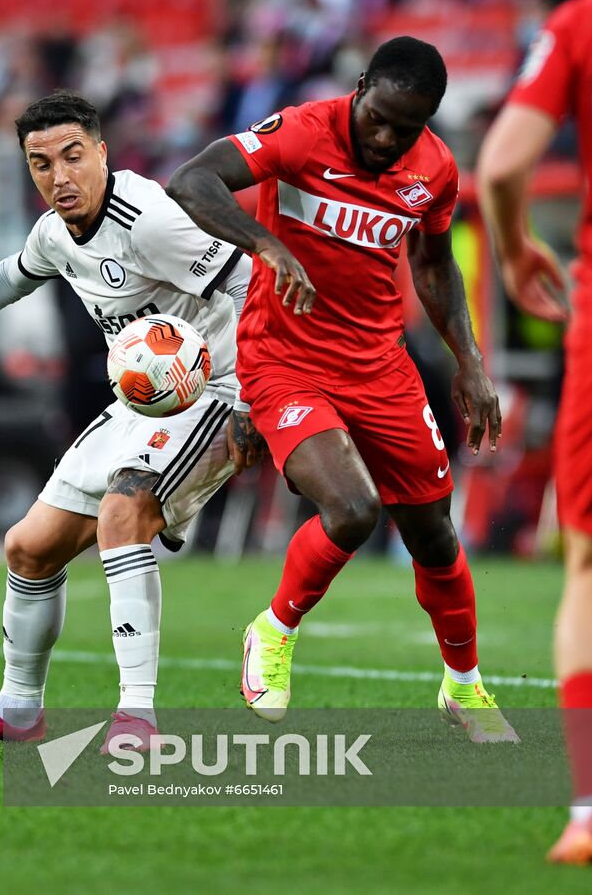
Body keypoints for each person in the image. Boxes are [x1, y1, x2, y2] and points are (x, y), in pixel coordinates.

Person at [0, 90, 262, 752]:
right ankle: (17, 711)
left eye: (72, 156)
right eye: (40, 162)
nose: (59, 175)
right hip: (140, 399)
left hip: (215, 392)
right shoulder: (55, 231)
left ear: (102, 153)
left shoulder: (149, 219)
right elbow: (12, 275)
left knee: (121, 515)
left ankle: (137, 717)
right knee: (28, 547)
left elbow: (251, 281)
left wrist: (255, 407)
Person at [167, 36, 517, 742]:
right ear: (358, 88)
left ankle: (463, 687)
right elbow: (193, 180)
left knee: (433, 534)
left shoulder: (435, 169)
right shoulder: (299, 131)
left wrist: (470, 363)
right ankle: (272, 629)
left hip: (379, 366)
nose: (386, 138)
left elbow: (433, 264)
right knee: (353, 510)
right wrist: (266, 244)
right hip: (284, 359)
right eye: (377, 117)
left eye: (406, 127)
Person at [477, 0, 592, 863]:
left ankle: (587, 813)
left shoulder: (576, 22)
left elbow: (504, 165)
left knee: (586, 562)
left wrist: (515, 248)